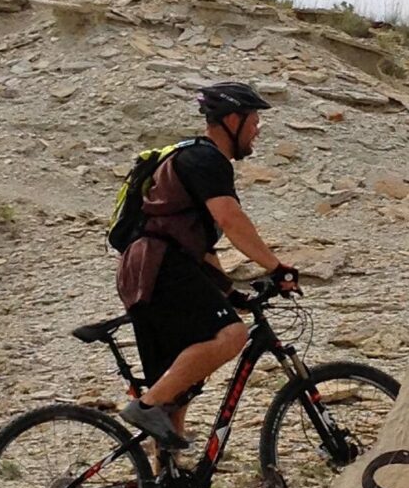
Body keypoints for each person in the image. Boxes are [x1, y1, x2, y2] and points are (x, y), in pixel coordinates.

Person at [116, 81, 299, 446]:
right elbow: (231, 220)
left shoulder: (192, 160)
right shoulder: (206, 159)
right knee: (233, 334)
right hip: (159, 266)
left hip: (146, 270)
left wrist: (229, 292)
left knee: (176, 390)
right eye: (254, 121)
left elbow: (200, 245)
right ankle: (146, 406)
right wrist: (276, 267)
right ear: (232, 119)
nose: (258, 130)